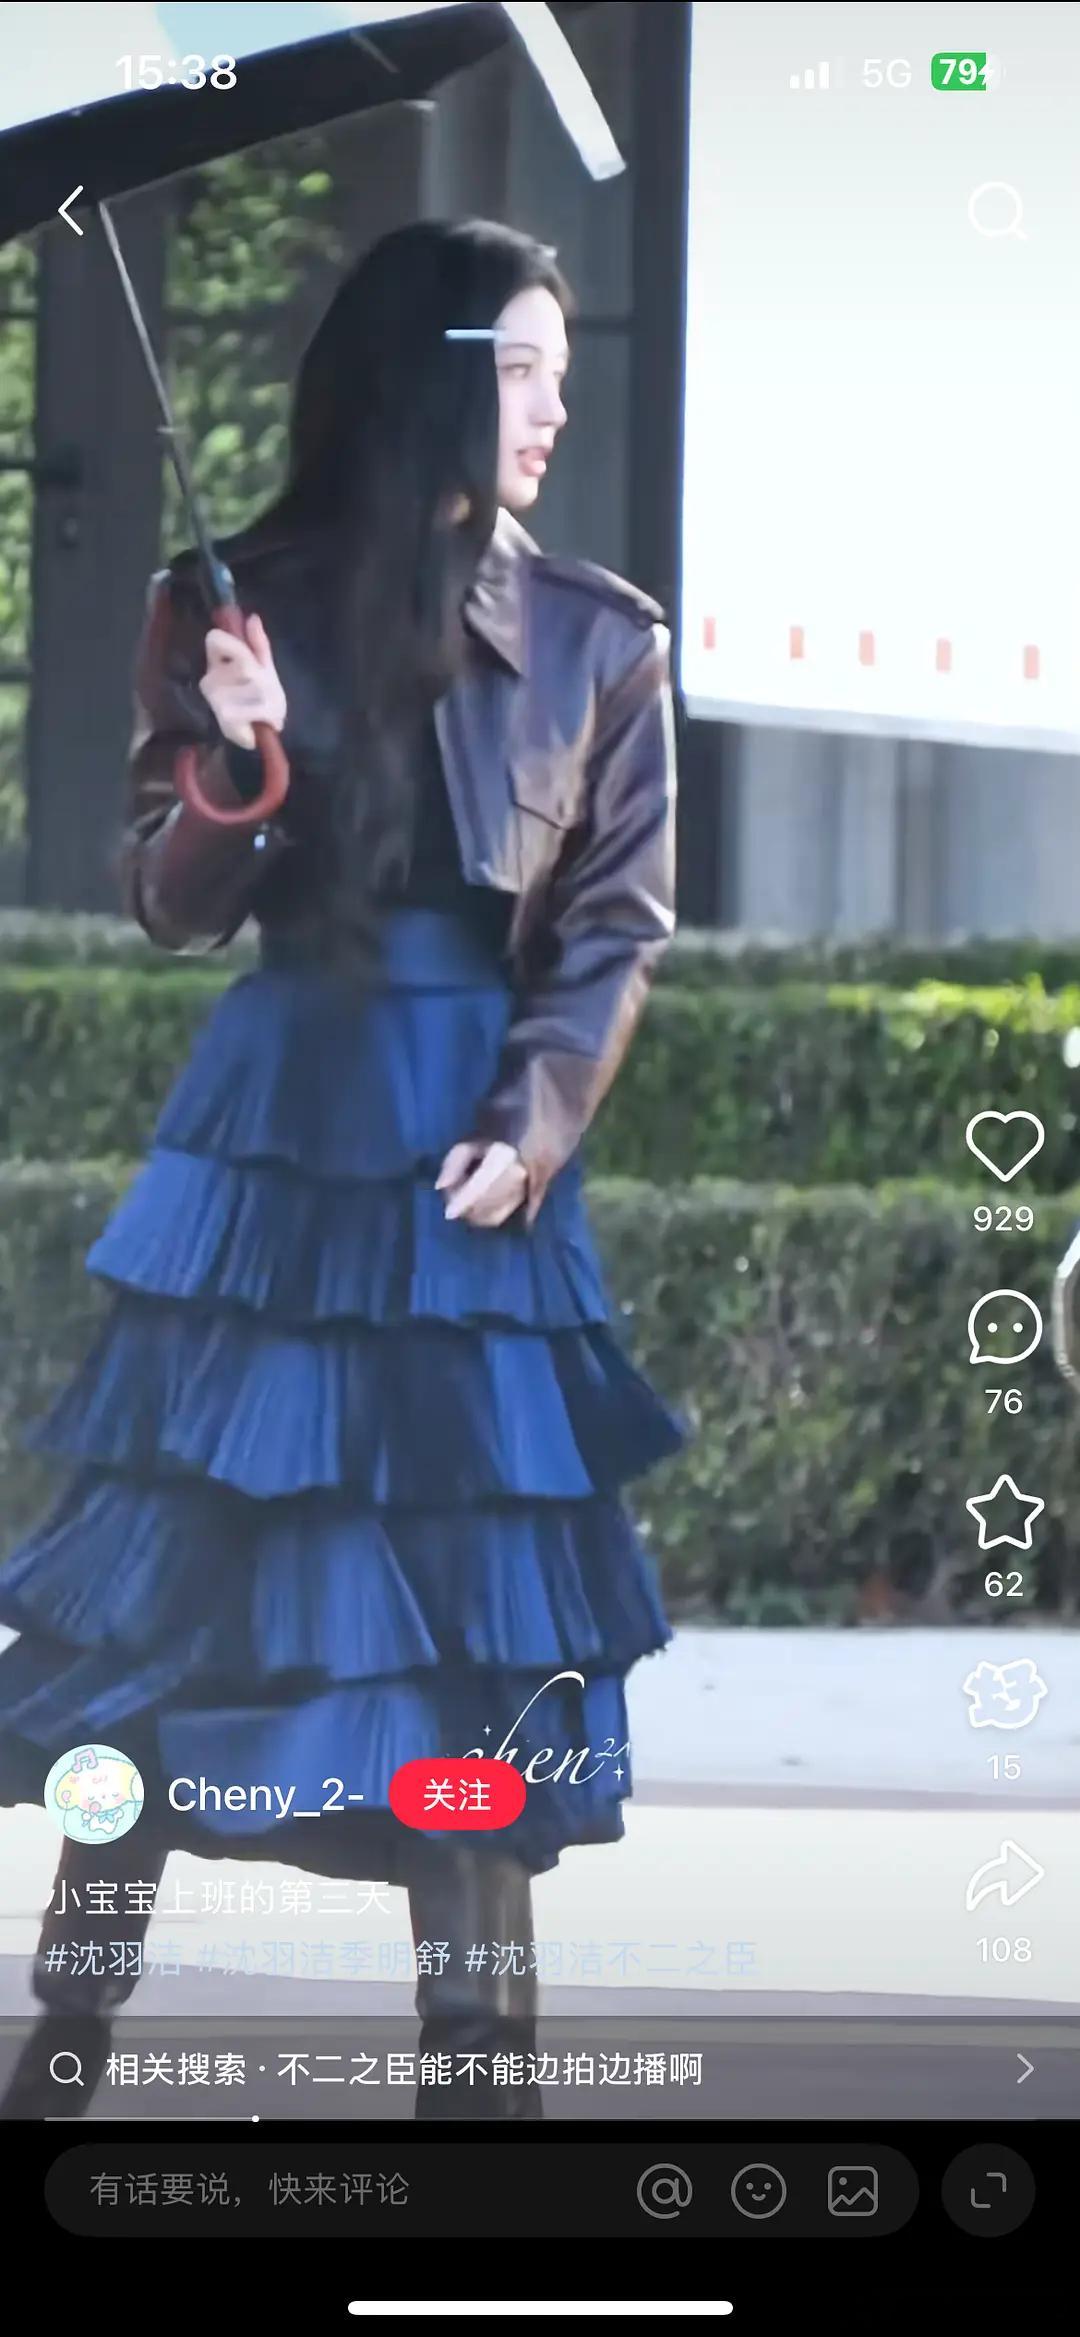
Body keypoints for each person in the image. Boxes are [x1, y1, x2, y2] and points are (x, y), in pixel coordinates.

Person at [0, 217, 684, 2121]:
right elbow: (167, 901)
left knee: (472, 1619)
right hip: (281, 1139)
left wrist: (533, 1127)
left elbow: (613, 929)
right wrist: (236, 763)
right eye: (522, 366)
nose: (553, 407)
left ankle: (484, 2090)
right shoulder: (232, 603)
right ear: (429, 371)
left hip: (476, 1163)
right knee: (176, 1583)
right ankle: (66, 2039)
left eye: (560, 371)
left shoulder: (602, 637)